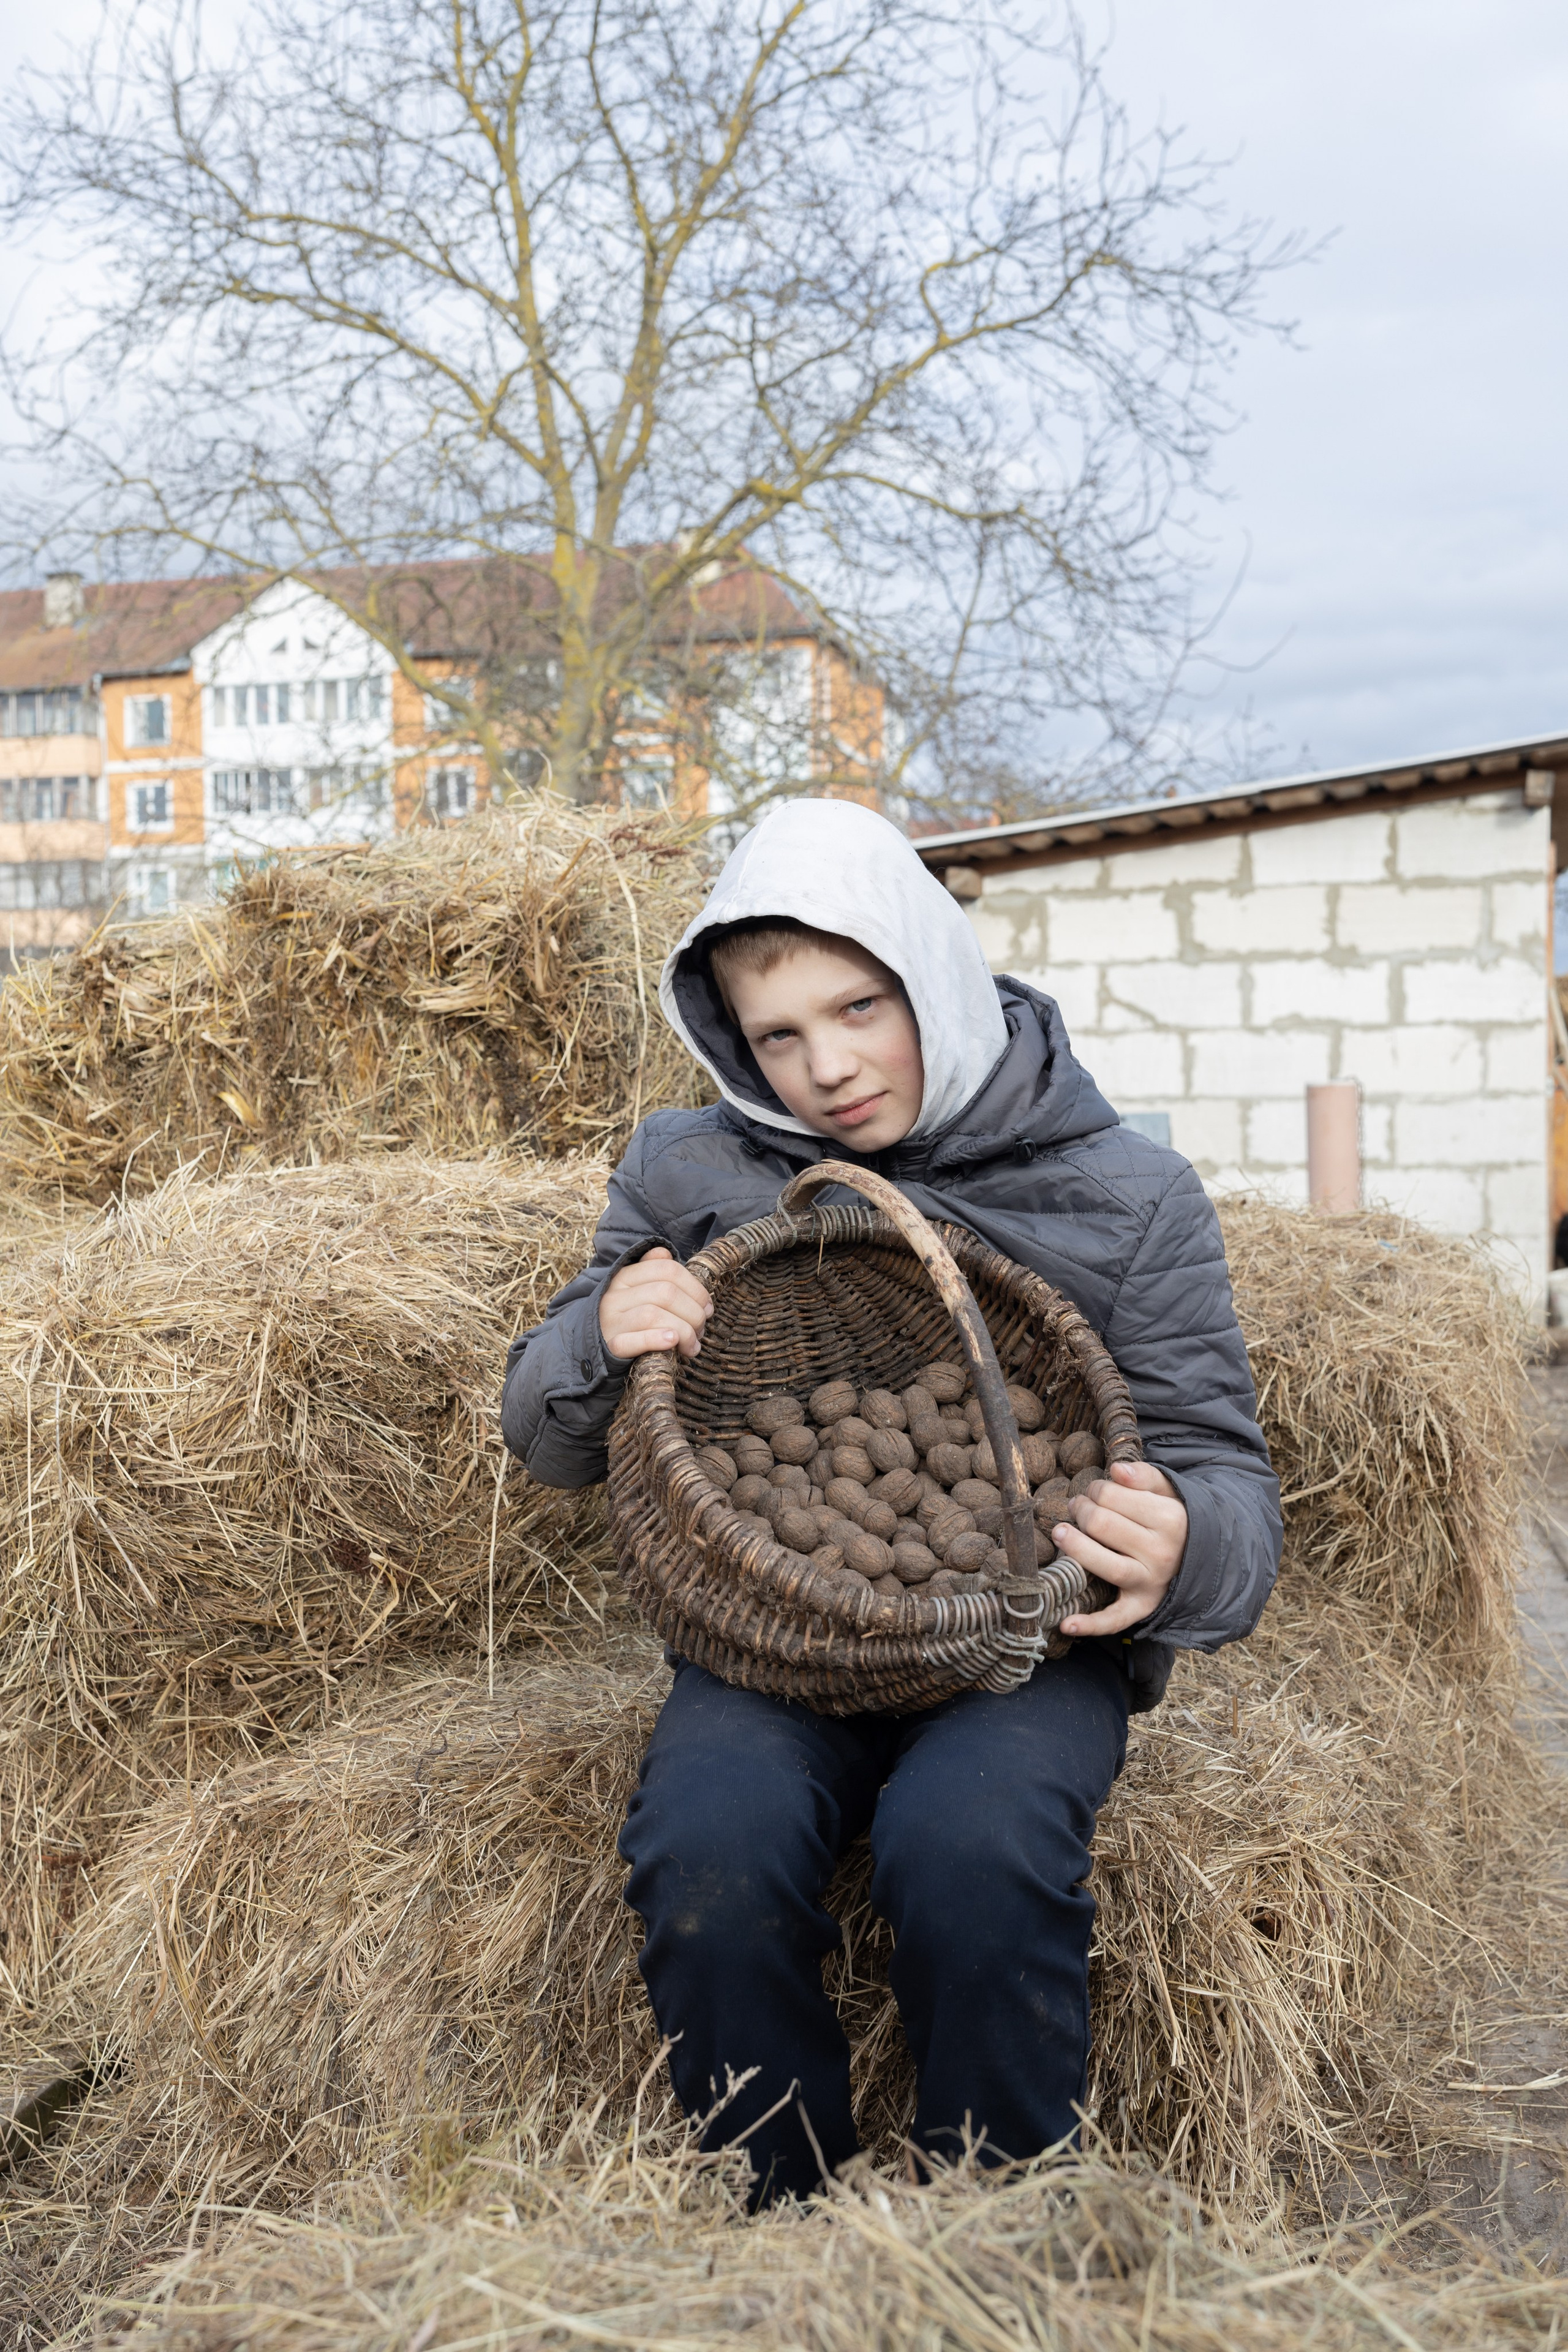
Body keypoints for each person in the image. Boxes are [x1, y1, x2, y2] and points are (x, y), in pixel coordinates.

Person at [502, 796, 1281, 2205]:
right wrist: (596, 1336)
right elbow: (547, 1441)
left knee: (969, 1846)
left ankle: (993, 2220)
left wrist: (1182, 1548)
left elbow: (1226, 1479)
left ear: (932, 973)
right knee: (705, 1848)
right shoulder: (690, 1169)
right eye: (776, 1037)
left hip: (1023, 1645)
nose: (827, 1069)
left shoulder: (1124, 1195)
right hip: (772, 1635)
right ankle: (778, 2212)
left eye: (859, 1008)